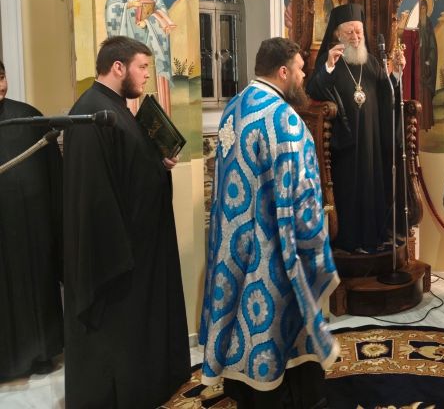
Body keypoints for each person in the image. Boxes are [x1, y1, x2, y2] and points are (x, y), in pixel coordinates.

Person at [200, 38, 340, 409]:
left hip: (234, 244)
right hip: (272, 250)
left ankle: (244, 392)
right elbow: (302, 197)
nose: (304, 77)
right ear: (283, 72)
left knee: (242, 324)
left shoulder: (234, 107)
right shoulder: (285, 119)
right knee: (278, 329)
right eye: (300, 70)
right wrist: (316, 250)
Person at [62, 36, 189, 408]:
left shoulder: (114, 107)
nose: (147, 75)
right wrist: (119, 252)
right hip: (118, 253)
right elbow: (95, 194)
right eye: (142, 67)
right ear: (118, 67)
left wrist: (158, 162)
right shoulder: (91, 113)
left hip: (139, 243)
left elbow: (129, 167)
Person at [306, 4, 404, 254]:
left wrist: (396, 74)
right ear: (337, 34)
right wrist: (328, 67)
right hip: (344, 140)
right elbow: (314, 90)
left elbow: (387, 94)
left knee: (371, 186)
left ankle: (372, 238)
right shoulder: (330, 60)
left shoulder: (371, 62)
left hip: (371, 138)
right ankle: (348, 240)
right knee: (348, 189)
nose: (355, 37)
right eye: (349, 32)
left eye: (358, 31)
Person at [0, 60, 63, 381]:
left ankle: (40, 354)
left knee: (34, 288)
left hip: (30, 228)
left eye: (1, 77)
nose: (0, 86)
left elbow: (54, 175)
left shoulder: (29, 118)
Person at [105, 0, 177, 114]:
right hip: (128, 33)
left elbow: (160, 7)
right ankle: (131, 115)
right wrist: (129, 5)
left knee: (151, 79)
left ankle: (158, 117)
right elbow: (112, 5)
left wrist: (149, 21)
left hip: (150, 37)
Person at [419, 0, 438, 130]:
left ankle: (427, 122)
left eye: (424, 8)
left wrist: (428, 60)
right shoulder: (418, 24)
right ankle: (421, 122)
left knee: (426, 93)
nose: (422, 10)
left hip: (426, 65)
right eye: (421, 8)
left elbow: (433, 46)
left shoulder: (429, 25)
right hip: (418, 64)